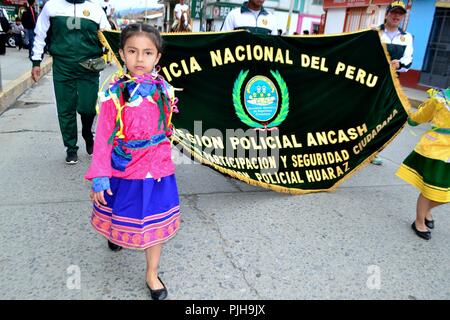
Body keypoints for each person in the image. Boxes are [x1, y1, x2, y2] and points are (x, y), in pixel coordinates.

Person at [85, 23, 180, 300]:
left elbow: (167, 126)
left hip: (158, 169)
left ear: (158, 57)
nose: (140, 59)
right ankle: (116, 234)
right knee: (121, 210)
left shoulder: (165, 89)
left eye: (148, 52)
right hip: (125, 168)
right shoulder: (113, 93)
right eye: (132, 51)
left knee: (156, 221)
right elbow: (102, 137)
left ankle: (151, 273)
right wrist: (100, 176)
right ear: (121, 53)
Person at [30, 0, 110, 164]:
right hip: (63, 65)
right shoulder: (52, 7)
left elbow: (108, 36)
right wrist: (36, 62)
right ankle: (71, 148)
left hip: (89, 66)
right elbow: (40, 34)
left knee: (87, 108)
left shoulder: (95, 9)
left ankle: (88, 134)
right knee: (65, 108)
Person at [396, 88, 450, 240]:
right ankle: (419, 221)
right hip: (436, 151)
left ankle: (426, 211)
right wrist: (412, 119)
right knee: (430, 190)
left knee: (444, 195)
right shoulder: (439, 99)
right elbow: (420, 117)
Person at [372, 0, 414, 165]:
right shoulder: (374, 32)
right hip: (369, 80)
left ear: (403, 17)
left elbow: (408, 60)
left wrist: (399, 64)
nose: (397, 16)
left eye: (400, 14)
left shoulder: (406, 37)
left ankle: (374, 151)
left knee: (382, 117)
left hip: (390, 84)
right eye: (394, 12)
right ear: (387, 14)